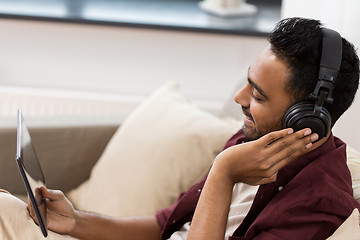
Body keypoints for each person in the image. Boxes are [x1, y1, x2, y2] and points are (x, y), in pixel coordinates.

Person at [1, 17, 360, 239]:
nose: (239, 97)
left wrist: (223, 173)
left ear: (308, 118)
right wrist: (78, 222)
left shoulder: (318, 204)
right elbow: (165, 227)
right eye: (247, 82)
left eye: (259, 96)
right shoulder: (252, 138)